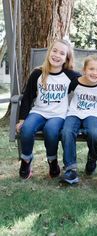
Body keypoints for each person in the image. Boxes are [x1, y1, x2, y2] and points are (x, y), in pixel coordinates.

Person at [16, 39, 81, 179]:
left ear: (66, 58)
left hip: (58, 114)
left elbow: (88, 85)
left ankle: (52, 161)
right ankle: (26, 160)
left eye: (62, 53)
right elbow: (27, 97)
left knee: (50, 130)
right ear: (49, 52)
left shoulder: (70, 75)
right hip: (39, 111)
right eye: (54, 51)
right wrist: (22, 119)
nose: (57, 55)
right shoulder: (38, 73)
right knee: (26, 129)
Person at [61, 54, 97, 184]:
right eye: (91, 69)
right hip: (74, 113)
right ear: (84, 69)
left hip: (92, 114)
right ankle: (71, 169)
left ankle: (92, 157)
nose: (94, 73)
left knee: (94, 133)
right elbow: (63, 91)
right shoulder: (75, 82)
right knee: (66, 132)